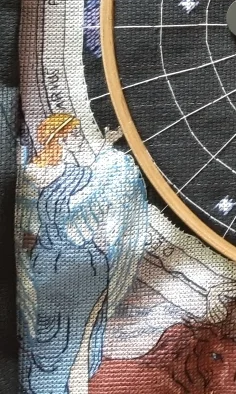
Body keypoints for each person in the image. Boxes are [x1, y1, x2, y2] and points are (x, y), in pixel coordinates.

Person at [17, 114, 147, 394]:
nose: (76, 139)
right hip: (51, 265)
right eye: (71, 135)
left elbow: (97, 183)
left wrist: (107, 146)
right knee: (45, 334)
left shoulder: (75, 172)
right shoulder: (33, 173)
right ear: (58, 139)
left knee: (79, 336)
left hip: (85, 266)